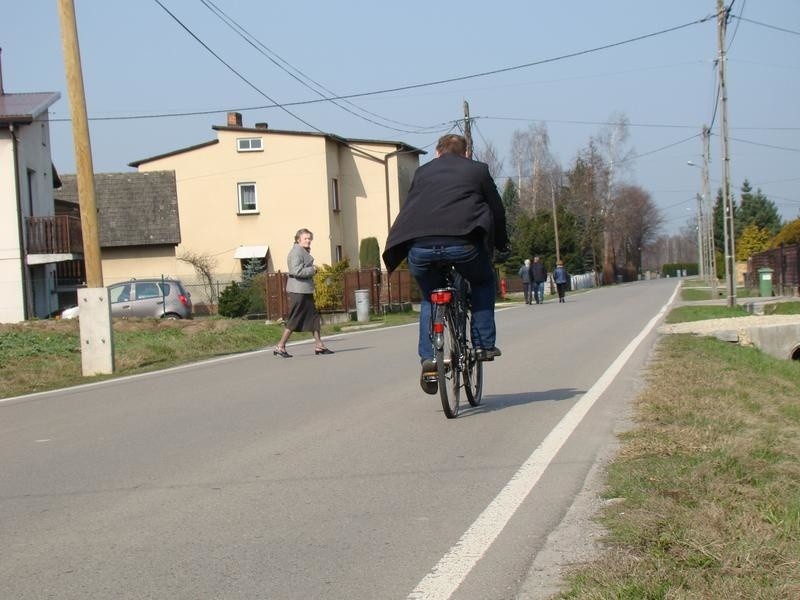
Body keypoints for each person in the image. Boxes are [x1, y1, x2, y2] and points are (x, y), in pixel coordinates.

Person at [382, 133, 509, 394]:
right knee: (483, 281)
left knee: (431, 297)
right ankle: (483, 344)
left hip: (419, 247)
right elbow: (497, 209)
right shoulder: (478, 170)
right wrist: (502, 242)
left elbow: (413, 207)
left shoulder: (423, 173)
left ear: (438, 152)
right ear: (466, 153)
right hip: (464, 245)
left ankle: (429, 358)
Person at [273, 228, 334, 358]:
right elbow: (296, 271)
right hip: (298, 290)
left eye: (309, 238)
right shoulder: (296, 253)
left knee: (313, 318)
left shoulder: (302, 251)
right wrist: (312, 270)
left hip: (305, 289)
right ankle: (280, 346)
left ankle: (319, 345)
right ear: (298, 239)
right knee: (295, 318)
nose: (308, 241)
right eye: (305, 238)